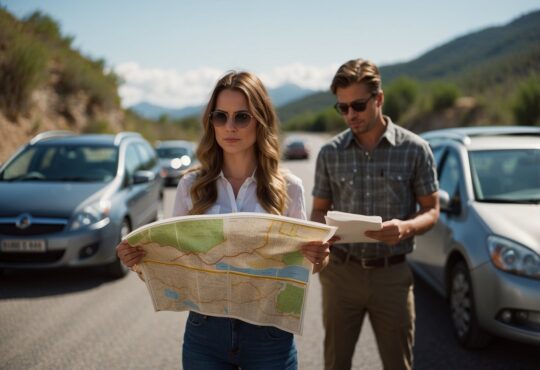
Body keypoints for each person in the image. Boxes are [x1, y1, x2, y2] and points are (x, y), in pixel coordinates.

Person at [116, 71, 332, 370]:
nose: (230, 127)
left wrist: (319, 258)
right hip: (205, 333)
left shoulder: (289, 187)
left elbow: (310, 267)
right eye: (221, 116)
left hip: (269, 335)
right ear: (211, 122)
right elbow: (172, 266)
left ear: (260, 121)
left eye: (242, 117)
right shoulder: (190, 186)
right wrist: (139, 261)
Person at [311, 59, 440, 370]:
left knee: (399, 363)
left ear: (379, 99)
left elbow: (432, 209)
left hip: (392, 276)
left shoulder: (415, 149)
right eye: (342, 108)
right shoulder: (329, 153)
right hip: (340, 275)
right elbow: (318, 209)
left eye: (357, 105)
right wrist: (318, 237)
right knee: (335, 363)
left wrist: (407, 228)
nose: (350, 115)